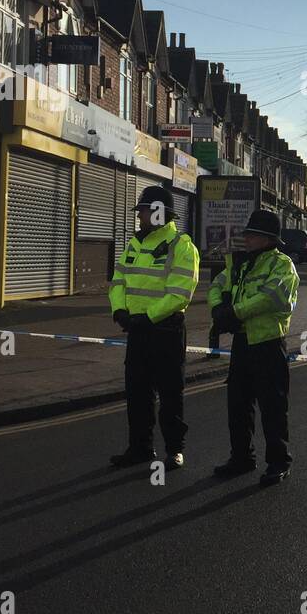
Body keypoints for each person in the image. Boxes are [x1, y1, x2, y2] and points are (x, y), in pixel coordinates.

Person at [108, 185, 200, 471]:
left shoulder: (181, 245)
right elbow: (118, 280)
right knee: (137, 394)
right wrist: (119, 310)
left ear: (160, 213)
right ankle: (140, 448)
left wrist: (147, 317)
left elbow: (179, 294)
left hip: (166, 332)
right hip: (138, 331)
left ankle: (174, 450)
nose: (140, 217)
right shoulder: (135, 243)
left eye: (144, 212)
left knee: (171, 395)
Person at [208, 209, 299, 487]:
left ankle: (278, 461)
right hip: (243, 343)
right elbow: (216, 284)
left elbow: (272, 298)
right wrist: (217, 309)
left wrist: (234, 313)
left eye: (252, 234)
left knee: (272, 407)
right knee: (238, 403)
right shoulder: (241, 264)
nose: (246, 238)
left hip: (268, 344)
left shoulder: (281, 265)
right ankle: (242, 457)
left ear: (267, 238)